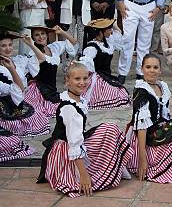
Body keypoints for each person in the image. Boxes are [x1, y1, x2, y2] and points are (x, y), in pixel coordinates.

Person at [37, 62, 133, 197]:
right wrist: (83, 175)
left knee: (110, 129)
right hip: (65, 151)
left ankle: (116, 165)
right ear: (68, 81)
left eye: (85, 78)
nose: (82, 82)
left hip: (69, 143)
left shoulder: (77, 99)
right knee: (110, 131)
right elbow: (74, 143)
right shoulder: (70, 108)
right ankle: (107, 169)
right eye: (77, 79)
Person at [126, 54, 172, 182]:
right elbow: (142, 127)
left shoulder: (162, 87)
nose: (152, 70)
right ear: (142, 69)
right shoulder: (141, 91)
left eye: (155, 67)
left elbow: (165, 116)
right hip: (144, 136)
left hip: (158, 131)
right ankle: (158, 163)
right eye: (148, 67)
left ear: (160, 70)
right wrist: (142, 159)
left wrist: (169, 130)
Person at [0, 32, 51, 137]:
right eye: (3, 46)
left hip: (19, 98)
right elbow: (14, 88)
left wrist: (31, 44)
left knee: (38, 117)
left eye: (10, 45)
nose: (8, 48)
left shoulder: (17, 61)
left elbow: (42, 59)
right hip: (5, 103)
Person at [23, 25, 78, 117]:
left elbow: (75, 44)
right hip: (41, 90)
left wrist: (62, 32)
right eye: (37, 35)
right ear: (33, 38)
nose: (41, 37)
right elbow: (41, 59)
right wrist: (31, 45)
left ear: (47, 35)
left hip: (52, 89)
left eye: (43, 33)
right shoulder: (33, 54)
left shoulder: (53, 47)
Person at [78, 18, 130, 110]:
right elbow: (85, 66)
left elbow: (120, 39)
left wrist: (111, 24)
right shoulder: (91, 47)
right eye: (108, 29)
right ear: (101, 32)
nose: (111, 31)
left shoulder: (107, 42)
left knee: (121, 93)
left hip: (107, 76)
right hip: (97, 79)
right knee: (114, 94)